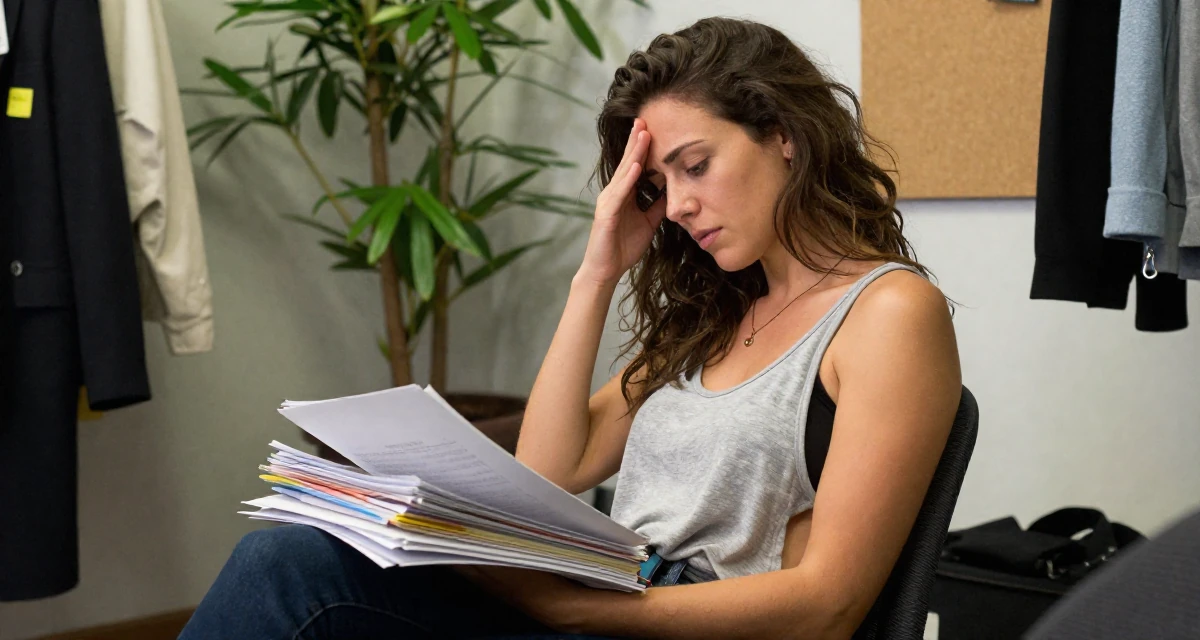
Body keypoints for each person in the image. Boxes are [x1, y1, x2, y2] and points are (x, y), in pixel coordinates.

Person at [180, 16, 961, 640]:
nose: (679, 206)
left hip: (657, 622)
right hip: (602, 598)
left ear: (783, 134)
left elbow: (826, 609)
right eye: (658, 185)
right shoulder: (714, 316)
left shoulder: (888, 313)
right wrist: (598, 272)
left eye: (696, 165)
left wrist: (576, 610)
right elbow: (551, 474)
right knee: (286, 557)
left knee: (290, 581)